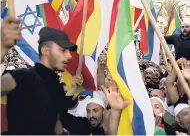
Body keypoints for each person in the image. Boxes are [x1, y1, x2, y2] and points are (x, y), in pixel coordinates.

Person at [1, 17, 130, 135]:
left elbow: (57, 123)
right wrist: (2, 47)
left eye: (69, 51)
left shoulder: (55, 86)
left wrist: (115, 111)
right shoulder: (22, 77)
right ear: (45, 51)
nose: (69, 56)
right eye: (63, 50)